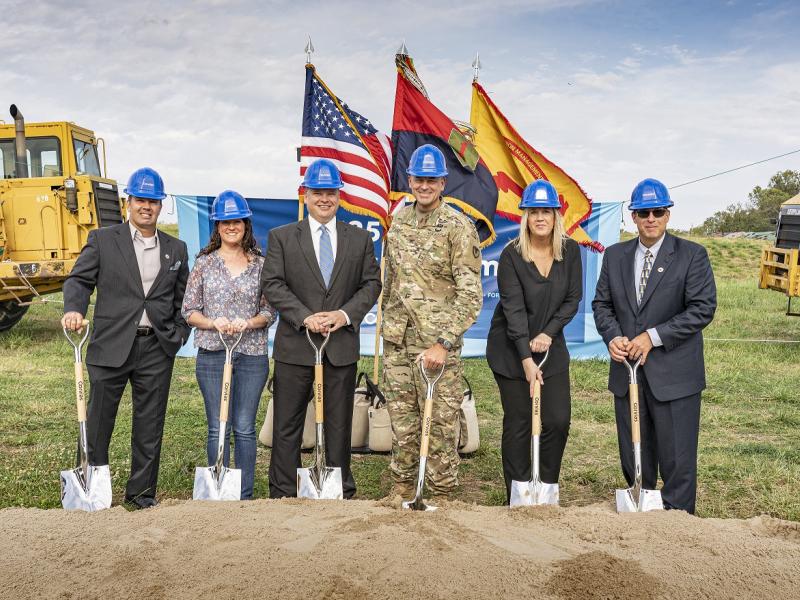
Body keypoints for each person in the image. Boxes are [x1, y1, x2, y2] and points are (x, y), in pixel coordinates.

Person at [61, 167, 190, 509]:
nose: (146, 206)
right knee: (99, 421)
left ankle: (141, 494)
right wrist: (74, 309)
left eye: (153, 201)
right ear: (128, 203)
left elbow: (182, 299)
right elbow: (78, 281)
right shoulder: (104, 240)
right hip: (111, 345)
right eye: (140, 200)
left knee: (149, 425)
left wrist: (177, 335)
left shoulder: (176, 249)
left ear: (161, 206)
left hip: (156, 347)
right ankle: (91, 488)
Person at [592, 178, 716, 514]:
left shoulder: (692, 255)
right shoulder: (615, 256)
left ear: (667, 214)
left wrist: (652, 337)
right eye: (643, 212)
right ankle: (641, 519)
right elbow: (601, 304)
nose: (651, 218)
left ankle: (677, 527)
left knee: (678, 459)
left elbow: (702, 308)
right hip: (628, 374)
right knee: (635, 454)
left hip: (675, 376)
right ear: (633, 216)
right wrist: (613, 336)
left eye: (657, 211)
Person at [261, 158, 381, 499]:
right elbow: (273, 284)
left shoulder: (358, 239)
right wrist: (304, 316)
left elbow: (371, 284)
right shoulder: (282, 237)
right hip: (296, 347)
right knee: (287, 424)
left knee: (339, 424)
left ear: (339, 196)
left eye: (330, 192)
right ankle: (283, 491)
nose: (324, 199)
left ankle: (338, 488)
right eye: (317, 192)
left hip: (340, 347)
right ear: (305, 194)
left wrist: (344, 315)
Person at [381, 144, 483, 498]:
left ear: (442, 182)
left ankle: (439, 493)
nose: (424, 186)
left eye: (431, 180)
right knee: (403, 420)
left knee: (440, 423)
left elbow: (471, 295)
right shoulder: (398, 222)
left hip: (436, 344)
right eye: (418, 179)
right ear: (410, 179)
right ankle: (402, 486)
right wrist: (386, 328)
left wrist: (443, 343)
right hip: (397, 341)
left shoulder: (458, 227)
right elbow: (390, 279)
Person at [486, 180, 583, 503]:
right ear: (524, 216)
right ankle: (518, 491)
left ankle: (546, 488)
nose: (540, 217)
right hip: (511, 351)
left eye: (546, 211)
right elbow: (513, 311)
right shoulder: (512, 256)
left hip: (550, 347)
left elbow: (572, 299)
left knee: (557, 419)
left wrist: (548, 334)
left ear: (556, 216)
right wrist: (526, 360)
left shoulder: (570, 253)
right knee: (520, 422)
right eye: (533, 212)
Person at [182, 190, 276, 499]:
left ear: (246, 224)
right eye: (224, 222)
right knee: (216, 425)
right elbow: (189, 310)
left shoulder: (261, 265)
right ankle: (218, 492)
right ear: (217, 227)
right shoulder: (205, 264)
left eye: (236, 221)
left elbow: (268, 311)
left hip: (251, 354)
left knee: (245, 427)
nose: (230, 227)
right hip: (212, 352)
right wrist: (213, 322)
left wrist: (248, 323)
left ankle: (244, 495)